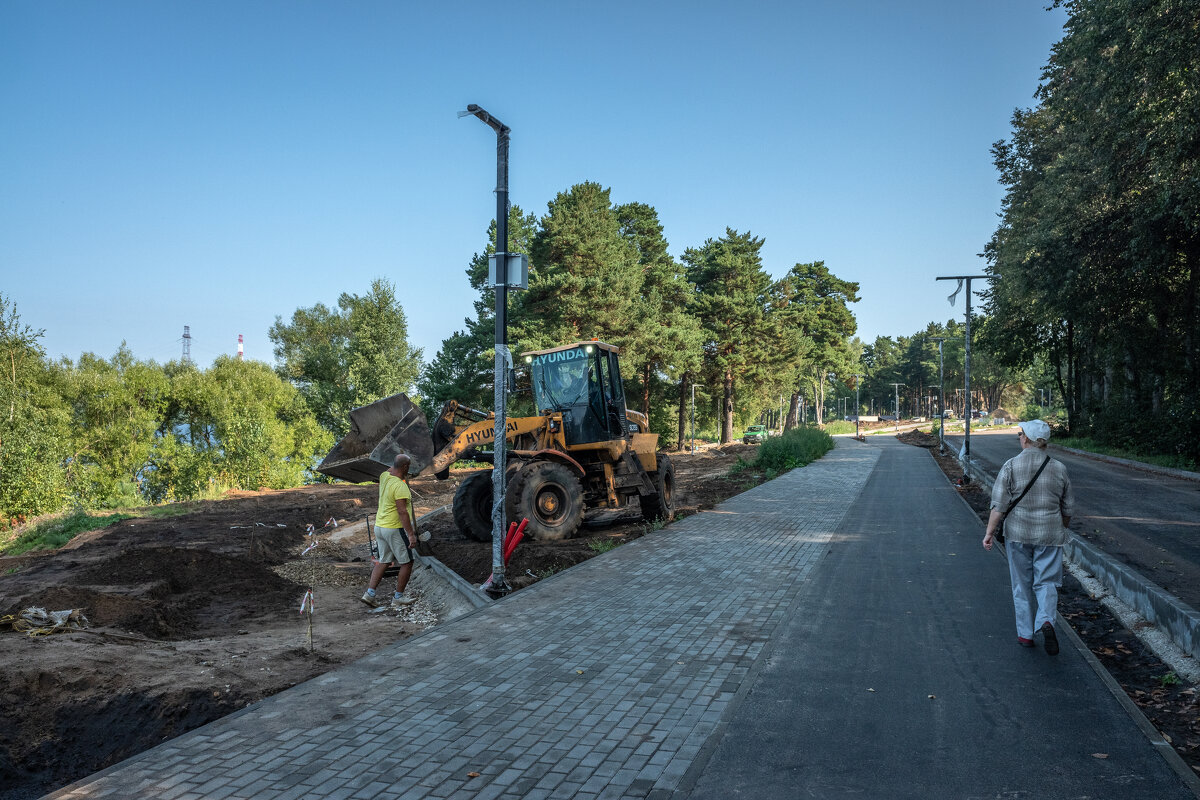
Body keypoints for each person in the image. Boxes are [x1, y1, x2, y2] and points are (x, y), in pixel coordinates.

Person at [982, 419, 1074, 654]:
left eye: (1020, 434)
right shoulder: (1059, 468)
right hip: (1050, 535)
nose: (1019, 438)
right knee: (1047, 583)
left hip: (1018, 534)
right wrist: (1061, 529)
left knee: (1021, 585)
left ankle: (1025, 635)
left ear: (1026, 439)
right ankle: (1046, 621)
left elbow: (999, 505)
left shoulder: (1011, 465)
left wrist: (989, 532)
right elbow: (1068, 508)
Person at [360, 453, 418, 609]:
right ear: (405, 467)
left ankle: (370, 594)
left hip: (380, 526)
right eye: (409, 466)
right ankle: (398, 597)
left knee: (384, 560)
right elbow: (402, 512)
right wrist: (411, 534)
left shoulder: (384, 476)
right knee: (407, 562)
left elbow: (390, 468)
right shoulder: (400, 486)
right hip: (393, 528)